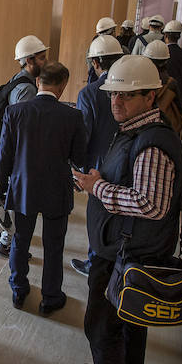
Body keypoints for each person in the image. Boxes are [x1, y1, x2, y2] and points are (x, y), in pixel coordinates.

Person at [71, 55, 182, 364]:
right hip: (123, 251)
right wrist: (99, 179)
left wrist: (98, 188)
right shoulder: (137, 131)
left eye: (126, 95)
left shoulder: (151, 143)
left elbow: (150, 205)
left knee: (103, 329)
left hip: (125, 256)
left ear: (150, 97)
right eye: (112, 95)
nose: (116, 102)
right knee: (129, 327)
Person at [0, 62, 86, 316]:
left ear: (38, 82)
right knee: (54, 246)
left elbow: (4, 157)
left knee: (20, 241)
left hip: (23, 188)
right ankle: (50, 297)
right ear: (63, 84)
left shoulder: (14, 112)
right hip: (57, 189)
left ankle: (19, 290)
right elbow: (79, 157)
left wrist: (0, 188)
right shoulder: (73, 116)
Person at [71, 35, 123, 278]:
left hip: (97, 168)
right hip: (125, 164)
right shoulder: (129, 89)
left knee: (97, 219)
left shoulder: (89, 93)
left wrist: (77, 170)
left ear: (95, 63)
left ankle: (95, 264)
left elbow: (83, 134)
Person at [0, 34, 49, 258]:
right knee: (16, 202)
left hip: (15, 153)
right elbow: (23, 127)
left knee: (13, 198)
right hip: (19, 155)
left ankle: (7, 238)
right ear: (30, 61)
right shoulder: (26, 89)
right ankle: (7, 243)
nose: (45, 62)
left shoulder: (19, 79)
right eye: (42, 58)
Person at [143, 40, 182, 136]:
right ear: (166, 60)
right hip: (166, 129)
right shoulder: (171, 82)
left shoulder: (143, 81)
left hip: (146, 129)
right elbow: (179, 108)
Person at [87, 18, 128, 84]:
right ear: (113, 31)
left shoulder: (92, 47)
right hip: (118, 83)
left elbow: (90, 68)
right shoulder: (121, 48)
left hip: (96, 83)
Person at [162, 20, 182, 104]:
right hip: (179, 96)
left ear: (165, 35)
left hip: (162, 95)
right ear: (179, 36)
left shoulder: (161, 54)